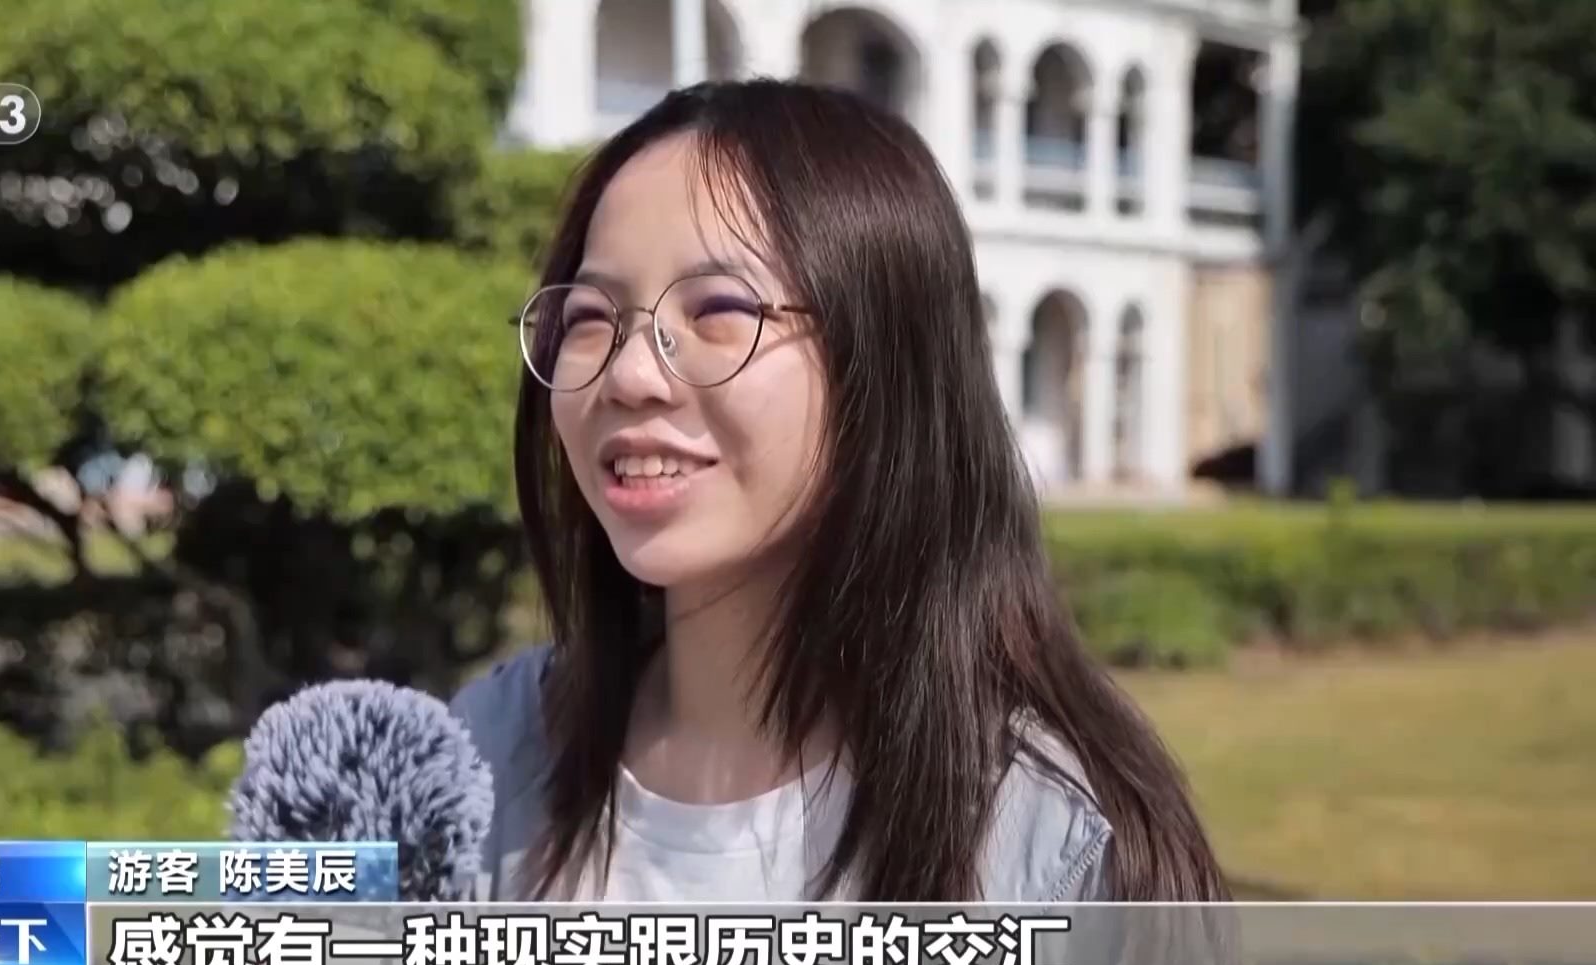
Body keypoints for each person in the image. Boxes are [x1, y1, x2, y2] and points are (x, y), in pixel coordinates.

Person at [451, 78, 1228, 904]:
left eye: (718, 311)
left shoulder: (1057, 849)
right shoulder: (488, 755)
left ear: (886, 363)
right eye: (589, 318)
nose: (630, 374)